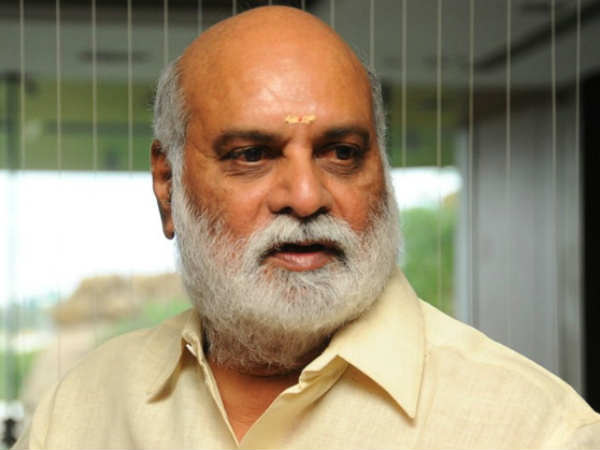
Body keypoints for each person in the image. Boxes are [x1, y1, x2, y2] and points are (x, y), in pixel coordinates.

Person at [14, 5, 600, 449]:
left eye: (341, 153)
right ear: (168, 187)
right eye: (251, 155)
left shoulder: (538, 431)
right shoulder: (79, 411)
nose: (305, 197)